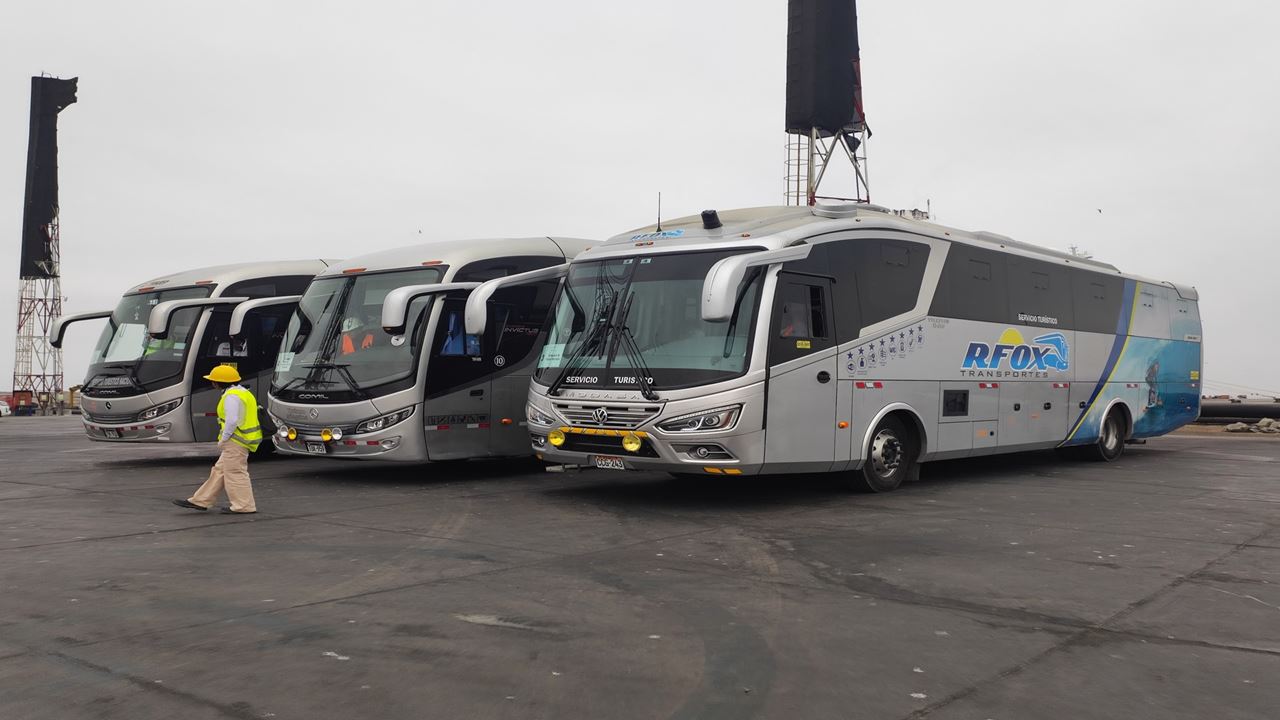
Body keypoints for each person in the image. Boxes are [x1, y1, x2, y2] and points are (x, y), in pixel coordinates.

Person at [172, 364, 262, 514]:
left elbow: (232, 420)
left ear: (219, 382)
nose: (212, 383)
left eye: (213, 380)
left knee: (235, 473)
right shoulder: (243, 392)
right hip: (242, 439)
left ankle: (244, 506)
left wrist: (224, 439)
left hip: (236, 440)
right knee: (220, 471)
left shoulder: (231, 397)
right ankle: (201, 500)